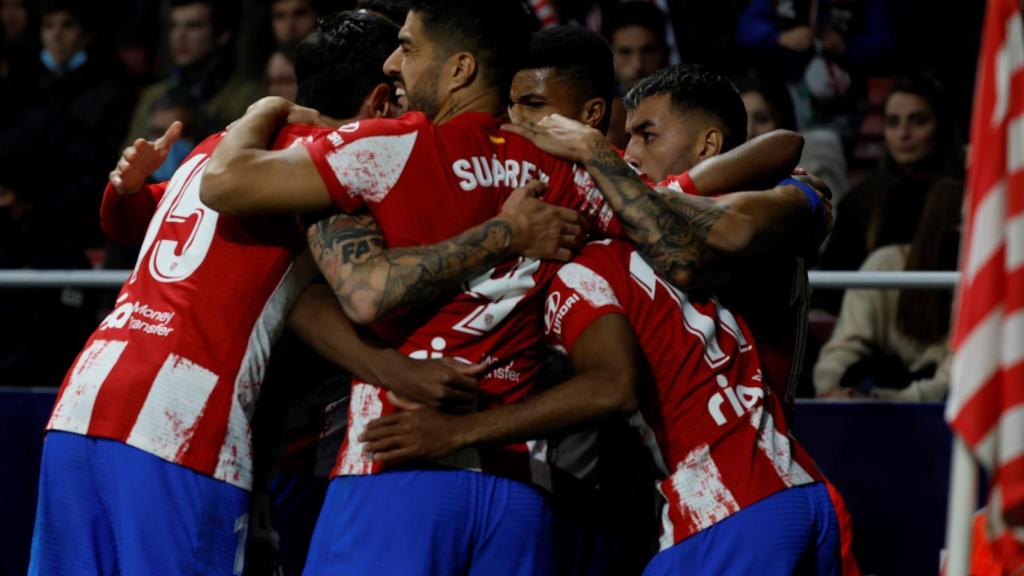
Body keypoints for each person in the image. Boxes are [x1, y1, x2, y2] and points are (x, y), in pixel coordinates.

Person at [199, 1, 829, 573]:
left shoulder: (387, 147)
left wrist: (264, 109)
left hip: (397, 462)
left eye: (411, 47)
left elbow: (228, 189)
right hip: (521, 491)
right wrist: (804, 195)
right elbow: (681, 243)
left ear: (459, 69)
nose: (395, 62)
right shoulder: (576, 176)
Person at [29, 10, 550, 575]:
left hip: (82, 403)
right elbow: (339, 296)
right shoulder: (330, 164)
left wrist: (124, 190)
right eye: (397, 81)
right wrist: (398, 366)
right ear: (380, 101)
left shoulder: (221, 145)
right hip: (180, 422)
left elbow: (143, 223)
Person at [816, 74, 964, 313]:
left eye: (918, 121)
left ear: (941, 126)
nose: (903, 134)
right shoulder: (859, 202)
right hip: (873, 329)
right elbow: (831, 295)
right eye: (893, 122)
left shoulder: (966, 198)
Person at [814, 177, 962, 401]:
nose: (962, 229)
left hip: (936, 409)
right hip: (875, 404)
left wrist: (889, 399)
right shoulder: (885, 265)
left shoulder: (987, 278)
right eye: (958, 220)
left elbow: (953, 377)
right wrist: (832, 387)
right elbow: (846, 346)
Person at [122, 0, 264, 147]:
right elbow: (129, 157)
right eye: (174, 26)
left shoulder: (247, 98)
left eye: (194, 26)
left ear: (222, 35)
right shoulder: (154, 95)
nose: (180, 35)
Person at [603, 1, 670, 149]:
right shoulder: (603, 118)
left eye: (648, 51)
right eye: (625, 52)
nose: (638, 65)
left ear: (666, 53)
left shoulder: (691, 114)